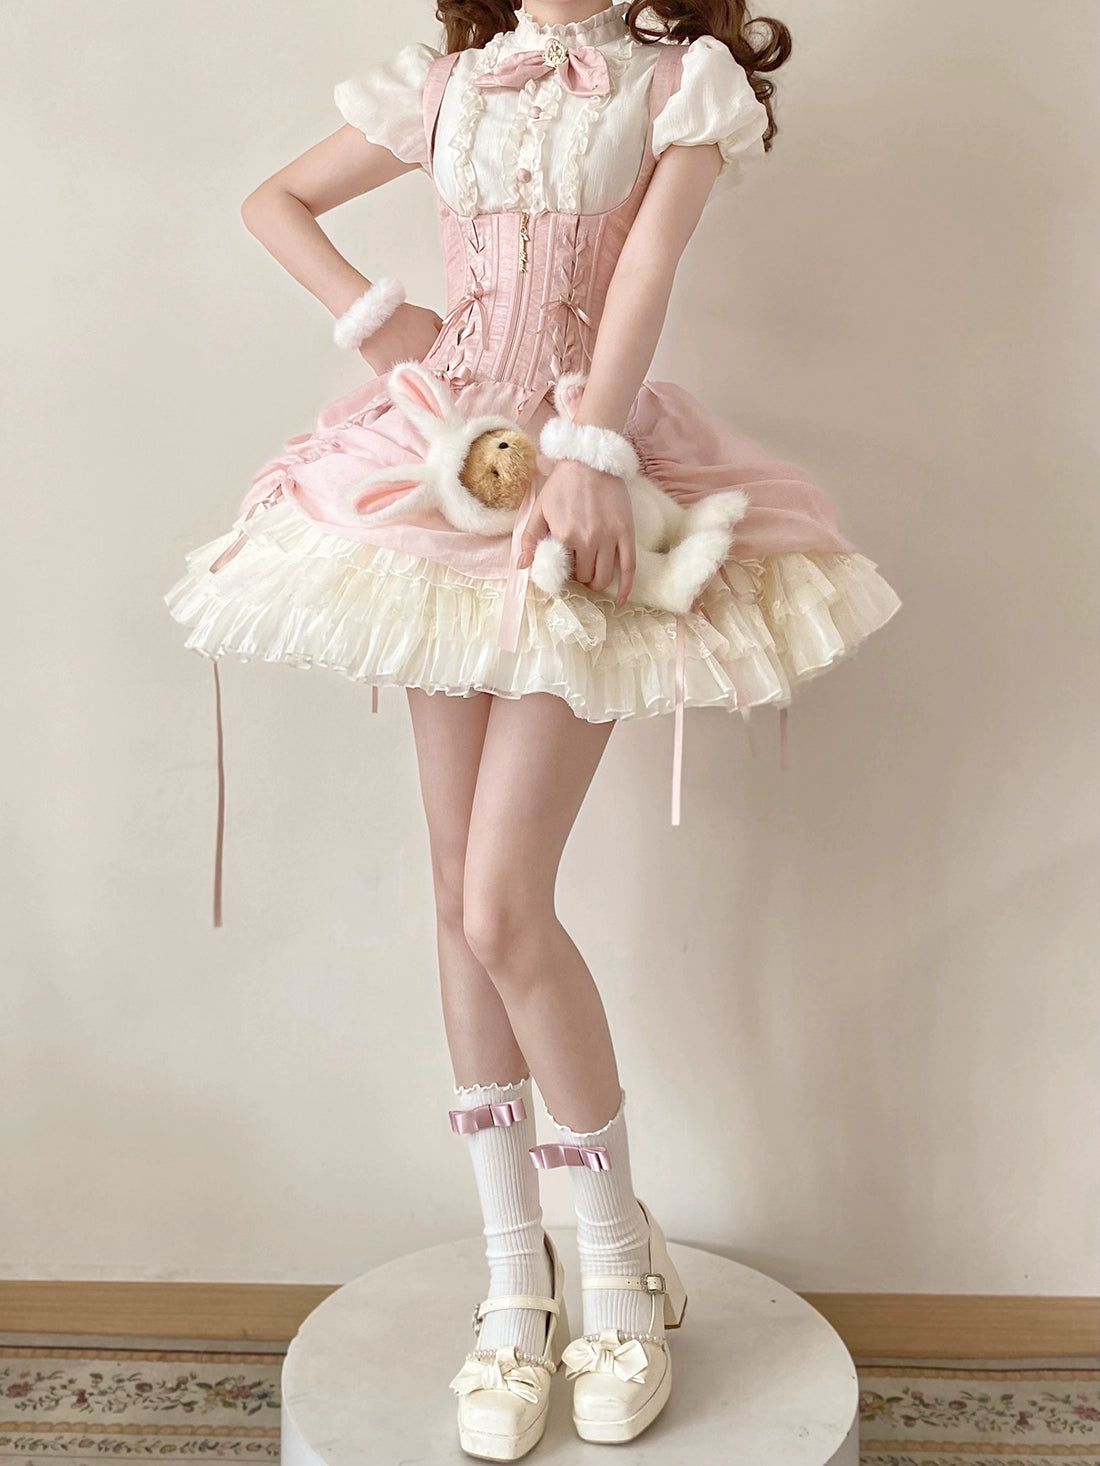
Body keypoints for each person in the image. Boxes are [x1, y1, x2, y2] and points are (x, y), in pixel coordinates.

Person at [164, 0, 901, 1455]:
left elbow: (644, 279)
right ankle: (517, 1280)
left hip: (585, 471)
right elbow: (276, 201)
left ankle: (616, 1261)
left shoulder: (679, 85)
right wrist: (383, 325)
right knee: (459, 895)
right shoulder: (450, 84)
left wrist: (588, 454)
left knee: (506, 900)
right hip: (443, 462)